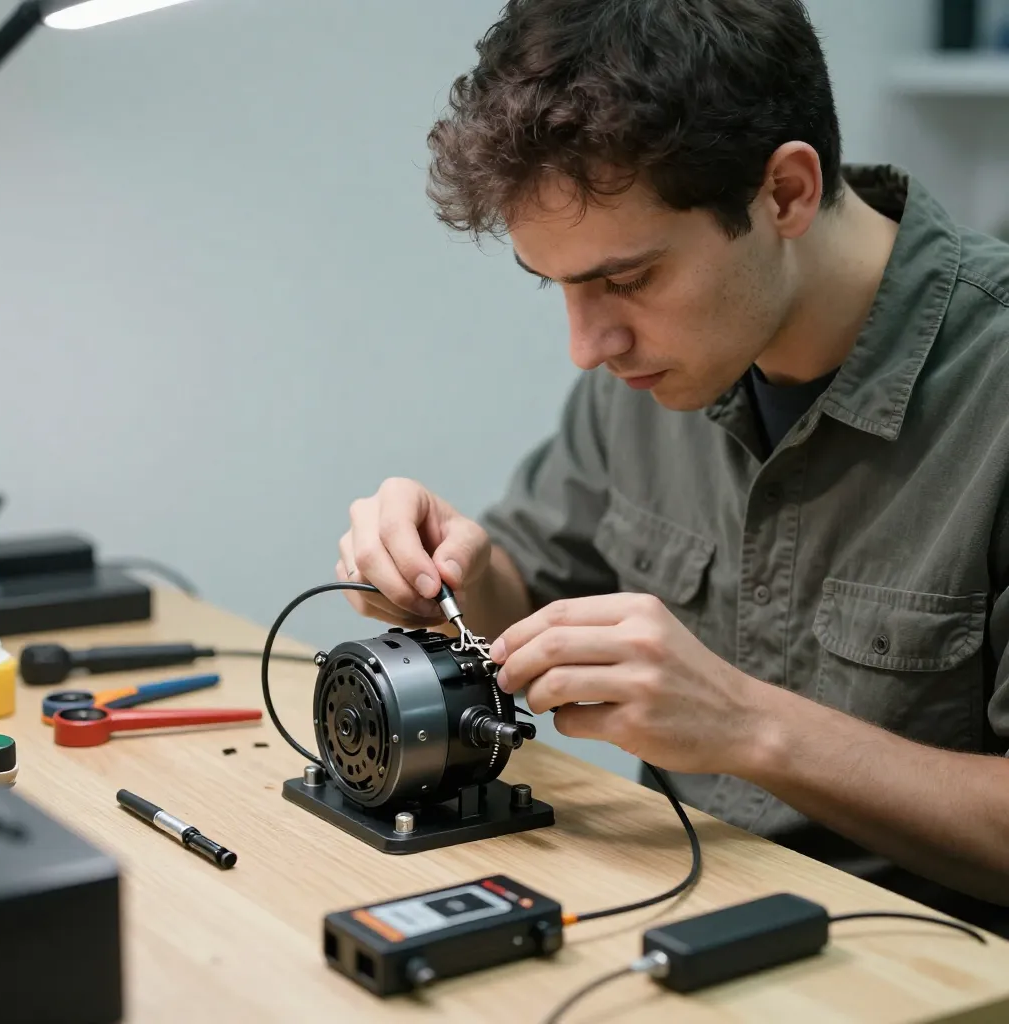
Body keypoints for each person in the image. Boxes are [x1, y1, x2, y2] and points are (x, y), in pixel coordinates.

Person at [336, 0, 1009, 930]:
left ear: (784, 194)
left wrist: (748, 725)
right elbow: (526, 606)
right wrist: (460, 573)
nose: (588, 344)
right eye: (559, 286)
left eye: (625, 278)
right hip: (665, 922)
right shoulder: (654, 366)